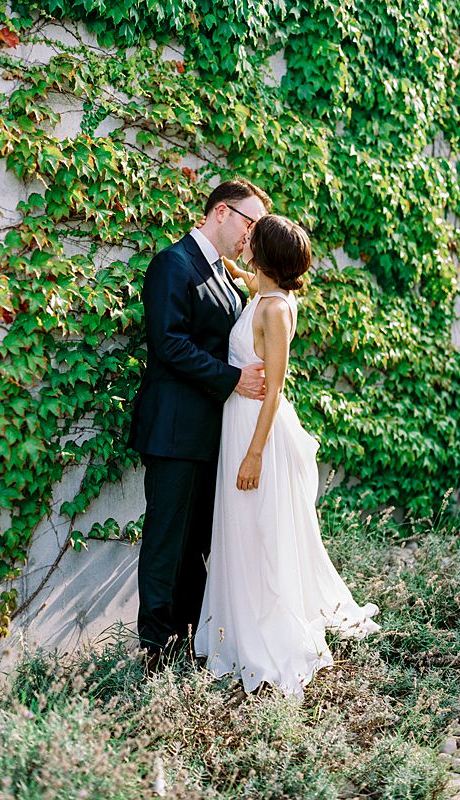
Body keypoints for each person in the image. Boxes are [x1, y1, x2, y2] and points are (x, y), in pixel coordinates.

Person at [194, 215, 380, 697]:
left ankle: (267, 639)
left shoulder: (276, 309)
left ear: (266, 255)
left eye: (252, 239)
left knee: (258, 536)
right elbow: (252, 284)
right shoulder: (264, 291)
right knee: (241, 532)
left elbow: (274, 389)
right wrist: (235, 272)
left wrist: (253, 455)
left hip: (257, 431)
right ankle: (234, 630)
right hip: (239, 424)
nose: (244, 241)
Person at [128, 178, 272, 657]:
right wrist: (233, 378)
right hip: (174, 432)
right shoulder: (173, 264)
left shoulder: (225, 274)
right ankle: (153, 660)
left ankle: (187, 649)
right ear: (221, 213)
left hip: (211, 435)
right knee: (167, 546)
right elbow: (168, 344)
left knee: (196, 550)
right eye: (249, 223)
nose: (252, 235)